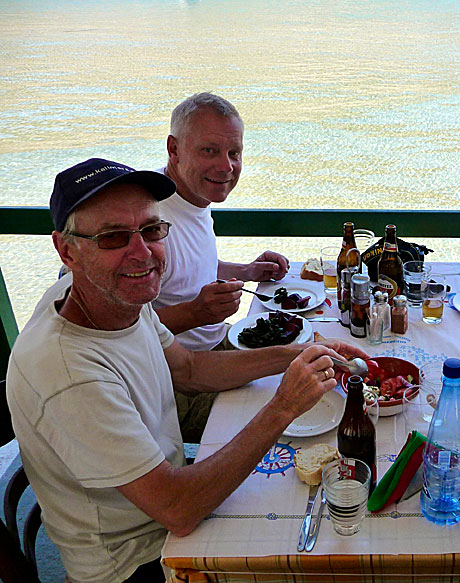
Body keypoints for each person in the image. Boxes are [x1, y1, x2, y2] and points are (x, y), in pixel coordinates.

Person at [6, 158, 368, 583]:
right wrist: (283, 407)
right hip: (139, 561)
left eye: (151, 229)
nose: (142, 253)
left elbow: (192, 368)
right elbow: (179, 509)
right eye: (113, 237)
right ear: (67, 250)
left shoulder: (114, 297)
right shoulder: (69, 372)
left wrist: (297, 352)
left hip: (170, 506)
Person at [151, 92, 290, 440]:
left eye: (234, 153)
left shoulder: (192, 196)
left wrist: (245, 271)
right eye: (209, 151)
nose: (226, 167)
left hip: (218, 346)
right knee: (295, 410)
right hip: (177, 388)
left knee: (309, 355)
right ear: (174, 149)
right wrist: (195, 313)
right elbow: (123, 333)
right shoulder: (150, 222)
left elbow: (187, 268)